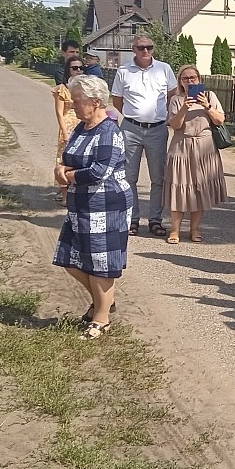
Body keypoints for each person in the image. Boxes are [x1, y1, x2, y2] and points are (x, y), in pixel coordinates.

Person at [52, 74, 133, 340]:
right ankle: (104, 301)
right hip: (80, 204)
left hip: (106, 205)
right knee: (71, 259)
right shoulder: (80, 127)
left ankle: (102, 318)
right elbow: (68, 155)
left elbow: (100, 171)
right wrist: (61, 167)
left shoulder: (109, 131)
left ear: (96, 102)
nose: (73, 105)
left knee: (100, 263)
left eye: (77, 100)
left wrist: (70, 176)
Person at [111, 34, 176, 237]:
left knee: (158, 177)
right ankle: (132, 219)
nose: (146, 51)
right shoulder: (123, 71)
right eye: (141, 48)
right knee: (129, 176)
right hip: (131, 128)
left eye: (149, 47)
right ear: (134, 49)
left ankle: (155, 220)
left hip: (157, 129)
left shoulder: (164, 68)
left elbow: (172, 96)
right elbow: (117, 101)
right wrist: (135, 116)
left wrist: (160, 116)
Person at [164, 65, 228, 244]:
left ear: (199, 79)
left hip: (204, 145)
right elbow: (175, 125)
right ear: (180, 82)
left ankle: (195, 229)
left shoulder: (210, 96)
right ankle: (175, 230)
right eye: (185, 79)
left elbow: (220, 120)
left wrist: (206, 106)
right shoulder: (176, 99)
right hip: (182, 145)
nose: (190, 81)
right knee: (179, 187)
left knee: (199, 189)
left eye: (193, 78)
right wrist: (185, 108)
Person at [53, 56, 86, 204]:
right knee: (65, 159)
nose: (78, 70)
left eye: (81, 68)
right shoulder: (62, 89)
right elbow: (59, 113)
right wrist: (65, 131)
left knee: (81, 160)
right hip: (68, 127)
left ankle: (78, 193)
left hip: (83, 126)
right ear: (68, 70)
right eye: (74, 68)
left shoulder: (85, 88)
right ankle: (65, 196)